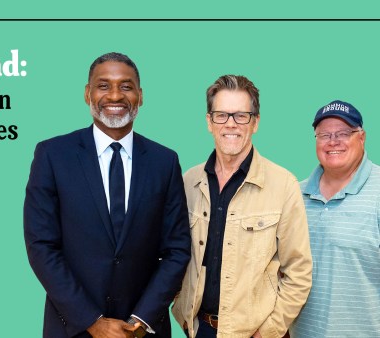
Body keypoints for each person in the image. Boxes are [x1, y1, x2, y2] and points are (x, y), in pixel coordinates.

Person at [24, 52, 191, 338]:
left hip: (143, 330)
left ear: (140, 96)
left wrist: (140, 320)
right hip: (72, 328)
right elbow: (41, 246)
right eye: (104, 86)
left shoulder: (164, 161)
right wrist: (92, 321)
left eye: (126, 86)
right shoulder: (52, 155)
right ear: (88, 93)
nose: (115, 95)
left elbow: (177, 249)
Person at [172, 75, 312, 338]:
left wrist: (268, 331)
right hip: (199, 330)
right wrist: (182, 309)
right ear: (209, 121)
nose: (231, 124)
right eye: (222, 115)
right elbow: (174, 253)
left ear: (255, 122)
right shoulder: (188, 182)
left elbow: (299, 272)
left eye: (241, 116)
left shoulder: (283, 184)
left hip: (256, 334)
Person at [290, 100, 380, 337]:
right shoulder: (295, 195)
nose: (333, 142)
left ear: (361, 137)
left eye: (343, 133)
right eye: (324, 135)